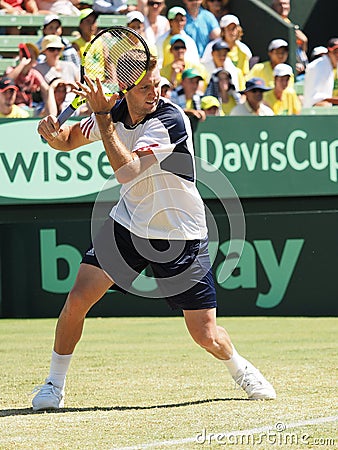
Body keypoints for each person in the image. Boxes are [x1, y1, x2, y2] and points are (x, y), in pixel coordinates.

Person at [33, 53, 276, 411]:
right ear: (125, 90)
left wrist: (102, 116)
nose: (155, 92)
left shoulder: (170, 119)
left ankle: (242, 369)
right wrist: (53, 134)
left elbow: (128, 172)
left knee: (205, 334)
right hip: (129, 224)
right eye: (145, 87)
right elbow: (68, 139)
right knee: (78, 299)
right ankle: (53, 384)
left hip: (181, 233)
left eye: (158, 84)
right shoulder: (115, 115)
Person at [34, 35, 80, 109]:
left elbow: (80, 87)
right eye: (52, 49)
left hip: (73, 108)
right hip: (48, 107)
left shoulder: (71, 66)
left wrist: (73, 87)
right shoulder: (37, 69)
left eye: (58, 49)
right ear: (44, 51)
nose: (56, 52)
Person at [5, 42, 51, 115]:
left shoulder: (34, 73)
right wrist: (22, 64)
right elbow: (6, 81)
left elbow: (47, 90)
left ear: (35, 61)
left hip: (27, 107)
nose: (28, 59)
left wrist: (47, 107)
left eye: (31, 57)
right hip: (10, 107)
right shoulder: (11, 70)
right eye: (25, 55)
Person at [270, 0, 308, 76]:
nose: (283, 7)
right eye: (280, 4)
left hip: (303, 68)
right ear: (273, 6)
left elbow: (301, 49)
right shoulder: (273, 24)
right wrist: (294, 64)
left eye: (285, 4)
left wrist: (304, 41)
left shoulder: (289, 22)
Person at [303, 37, 338, 108]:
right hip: (313, 111)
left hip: (323, 108)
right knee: (324, 105)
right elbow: (316, 99)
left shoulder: (329, 65)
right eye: (335, 52)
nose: (337, 55)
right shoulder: (318, 66)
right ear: (329, 52)